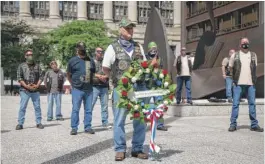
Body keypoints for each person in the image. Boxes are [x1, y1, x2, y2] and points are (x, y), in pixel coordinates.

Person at [102, 17, 148, 161]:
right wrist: (116, 81)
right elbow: (106, 68)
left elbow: (145, 65)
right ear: (120, 30)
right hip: (121, 90)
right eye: (127, 28)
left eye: (131, 28)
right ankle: (120, 149)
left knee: (140, 119)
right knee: (119, 119)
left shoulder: (138, 47)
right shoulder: (112, 47)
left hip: (138, 88)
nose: (130, 30)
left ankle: (137, 149)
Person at [228, 37, 263, 132]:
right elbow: (230, 67)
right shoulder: (235, 55)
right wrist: (234, 79)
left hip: (250, 84)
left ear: (249, 44)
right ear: (240, 45)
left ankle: (254, 125)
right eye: (243, 42)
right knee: (235, 104)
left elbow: (254, 67)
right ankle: (233, 124)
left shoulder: (253, 55)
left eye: (246, 42)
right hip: (238, 84)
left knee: (252, 104)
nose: (245, 44)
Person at [67, 42, 96, 135]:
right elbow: (68, 74)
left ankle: (87, 127)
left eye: (83, 48)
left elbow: (93, 73)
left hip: (89, 90)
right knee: (75, 109)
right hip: (77, 89)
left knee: (88, 110)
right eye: (80, 48)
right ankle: (74, 128)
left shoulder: (90, 60)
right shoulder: (72, 60)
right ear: (77, 50)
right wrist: (73, 84)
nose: (82, 50)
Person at [16, 49, 44, 130]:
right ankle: (20, 124)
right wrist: (27, 86)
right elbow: (19, 78)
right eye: (28, 55)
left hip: (35, 90)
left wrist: (37, 85)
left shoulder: (37, 66)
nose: (30, 56)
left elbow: (41, 76)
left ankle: (38, 123)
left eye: (31, 54)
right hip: (24, 90)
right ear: (25, 56)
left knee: (37, 107)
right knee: (22, 107)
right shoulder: (21, 66)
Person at [145, 41, 167, 131]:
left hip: (157, 84)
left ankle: (160, 124)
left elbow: (161, 69)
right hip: (148, 84)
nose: (153, 50)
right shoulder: (145, 57)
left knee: (159, 104)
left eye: (155, 48)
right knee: (145, 104)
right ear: (148, 49)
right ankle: (144, 122)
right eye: (152, 48)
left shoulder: (160, 58)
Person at [91, 47, 112, 129]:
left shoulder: (105, 61)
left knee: (105, 106)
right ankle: (87, 123)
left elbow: (110, 72)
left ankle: (105, 123)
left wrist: (105, 76)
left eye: (101, 51)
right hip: (94, 86)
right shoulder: (91, 61)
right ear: (95, 52)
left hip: (104, 86)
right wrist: (99, 76)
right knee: (91, 105)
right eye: (98, 51)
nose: (100, 53)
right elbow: (89, 72)